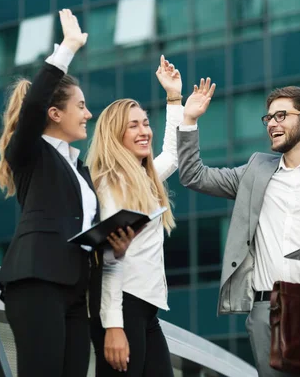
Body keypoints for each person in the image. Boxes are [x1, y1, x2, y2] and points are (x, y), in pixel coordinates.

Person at [0, 9, 135, 377]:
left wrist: (112, 245)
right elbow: (33, 106)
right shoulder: (30, 153)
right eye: (81, 106)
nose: (88, 114)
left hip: (76, 290)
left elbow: (79, 231)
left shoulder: (81, 171)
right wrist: (68, 47)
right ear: (55, 114)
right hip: (37, 282)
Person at [177, 82, 300, 376]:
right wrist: (189, 120)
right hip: (267, 310)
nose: (272, 124)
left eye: (282, 116)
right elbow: (194, 175)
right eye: (269, 118)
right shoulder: (256, 169)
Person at [86, 56, 215, 376]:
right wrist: (113, 325)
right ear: (115, 135)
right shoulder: (111, 185)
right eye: (134, 126)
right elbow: (111, 258)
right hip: (124, 309)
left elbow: (172, 154)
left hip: (145, 310)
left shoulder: (140, 180)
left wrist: (175, 99)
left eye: (145, 122)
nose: (145, 130)